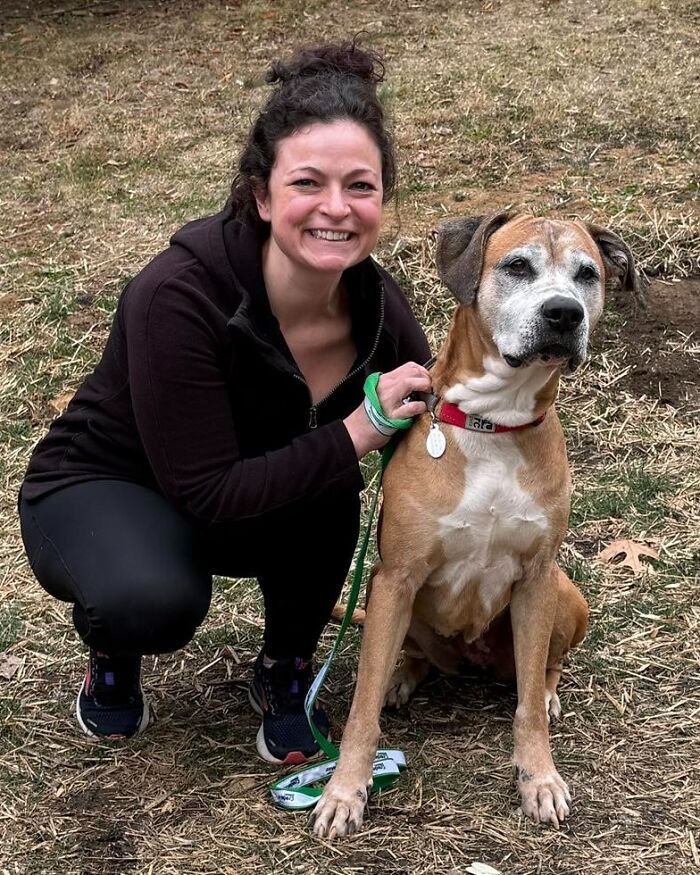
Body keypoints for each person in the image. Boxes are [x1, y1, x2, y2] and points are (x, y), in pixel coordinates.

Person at [18, 41, 432, 765]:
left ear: (382, 200)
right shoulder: (178, 295)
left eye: (360, 186)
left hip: (242, 490)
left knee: (328, 484)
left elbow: (438, 403)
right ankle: (113, 647)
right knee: (152, 598)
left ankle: (284, 668)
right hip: (108, 483)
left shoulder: (374, 302)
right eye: (309, 182)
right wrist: (361, 427)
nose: (336, 208)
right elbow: (208, 489)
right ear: (264, 194)